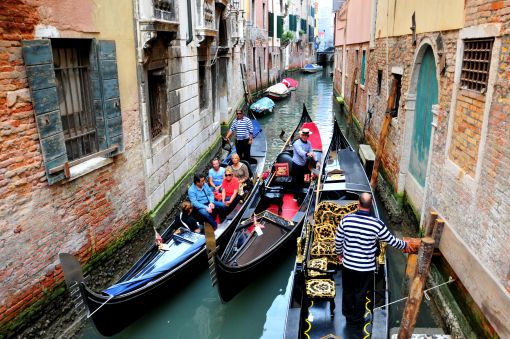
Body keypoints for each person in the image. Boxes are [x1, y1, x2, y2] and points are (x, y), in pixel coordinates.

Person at [335, 192, 410, 326]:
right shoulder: (377, 224)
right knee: (360, 293)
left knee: (348, 290)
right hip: (365, 268)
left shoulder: (346, 220)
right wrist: (406, 245)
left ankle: (348, 316)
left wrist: (339, 253)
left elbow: (338, 240)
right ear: (370, 206)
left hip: (348, 265)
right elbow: (391, 240)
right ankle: (357, 319)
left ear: (358, 204)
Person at [291, 127, 315, 200]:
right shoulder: (296, 143)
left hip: (303, 164)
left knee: (301, 180)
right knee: (296, 180)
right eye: (304, 135)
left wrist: (316, 160)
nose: (305, 137)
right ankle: (295, 197)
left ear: (308, 136)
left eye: (307, 135)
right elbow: (300, 152)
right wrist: (307, 154)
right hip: (296, 164)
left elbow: (311, 150)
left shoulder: (309, 143)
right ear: (301, 135)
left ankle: (301, 195)